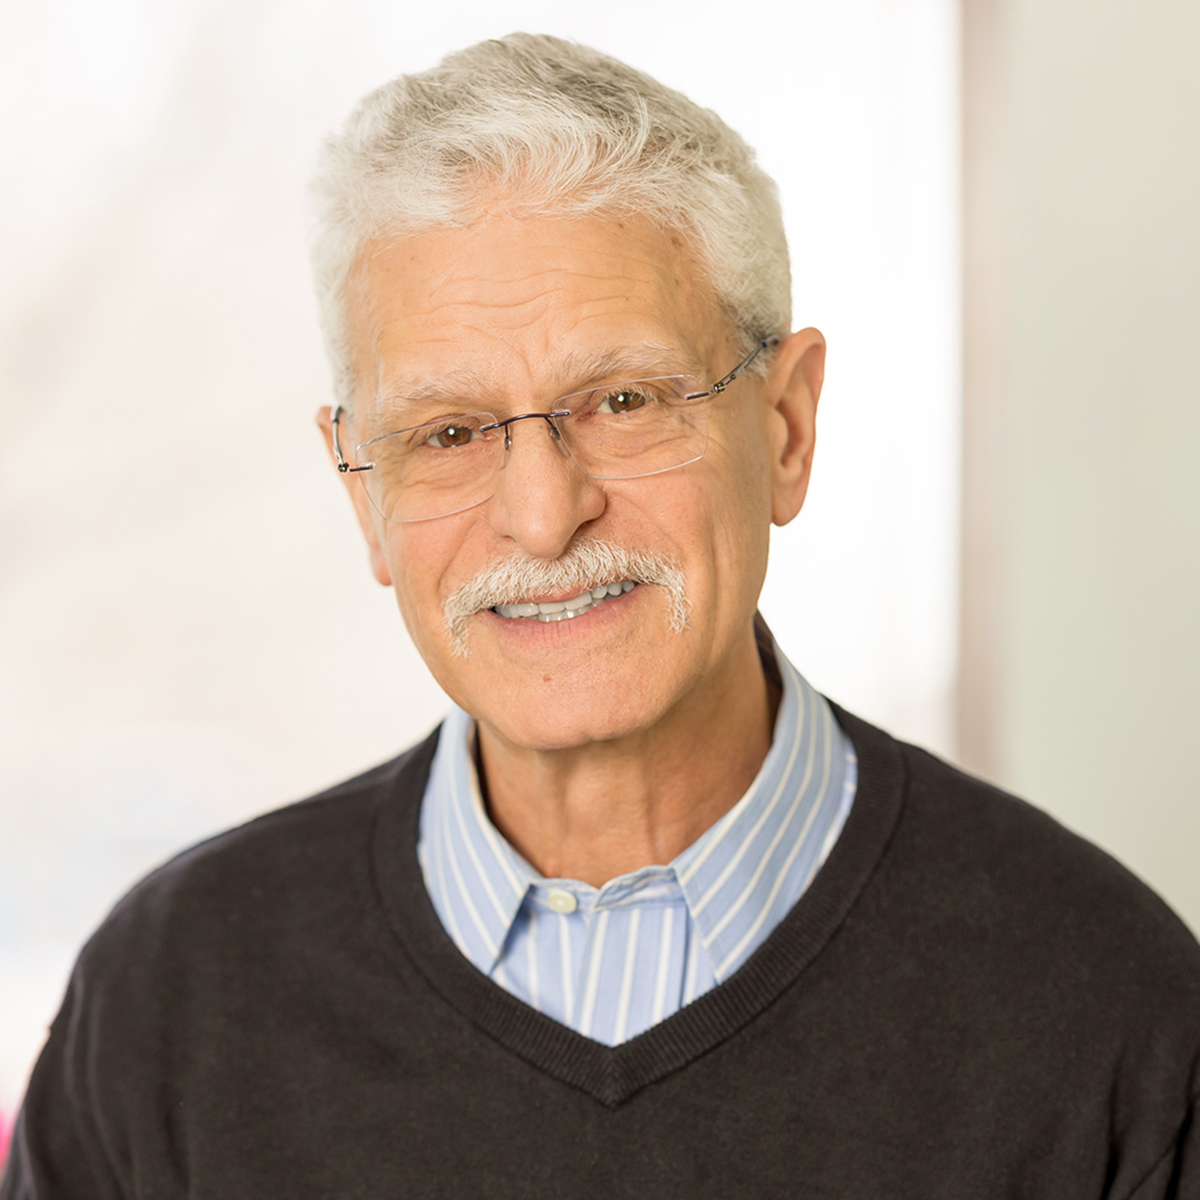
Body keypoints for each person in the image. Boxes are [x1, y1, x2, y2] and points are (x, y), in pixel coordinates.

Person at [3, 33, 1198, 1199]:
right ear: (361, 488)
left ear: (785, 427)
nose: (541, 515)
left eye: (623, 400)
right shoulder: (170, 1005)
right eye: (449, 433)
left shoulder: (1108, 1009)